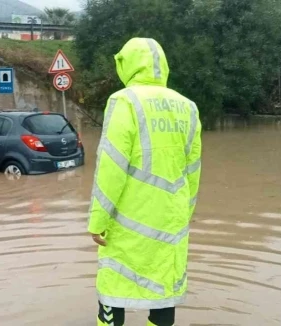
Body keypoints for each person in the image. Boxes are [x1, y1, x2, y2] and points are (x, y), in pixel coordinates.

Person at [88, 37, 202, 326]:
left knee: (114, 291)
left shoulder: (123, 101)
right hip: (170, 222)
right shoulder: (188, 107)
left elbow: (111, 166)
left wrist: (97, 220)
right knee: (163, 294)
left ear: (126, 65)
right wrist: (183, 215)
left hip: (127, 222)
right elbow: (193, 170)